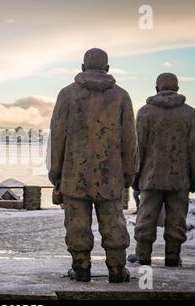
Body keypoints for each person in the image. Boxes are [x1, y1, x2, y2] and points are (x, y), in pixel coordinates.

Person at [48, 48, 139, 283]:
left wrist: (56, 174)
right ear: (107, 69)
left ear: (82, 67)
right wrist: (129, 173)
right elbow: (130, 140)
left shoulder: (67, 95)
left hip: (74, 174)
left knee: (77, 223)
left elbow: (57, 137)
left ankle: (81, 267)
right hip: (111, 175)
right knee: (114, 222)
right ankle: (117, 268)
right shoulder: (121, 96)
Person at [131, 73, 195, 267]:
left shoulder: (145, 113)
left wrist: (135, 177)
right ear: (177, 89)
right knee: (177, 218)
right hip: (180, 179)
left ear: (156, 88)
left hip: (150, 177)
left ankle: (142, 255)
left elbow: (137, 149)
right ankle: (173, 256)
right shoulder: (190, 114)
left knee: (145, 217)